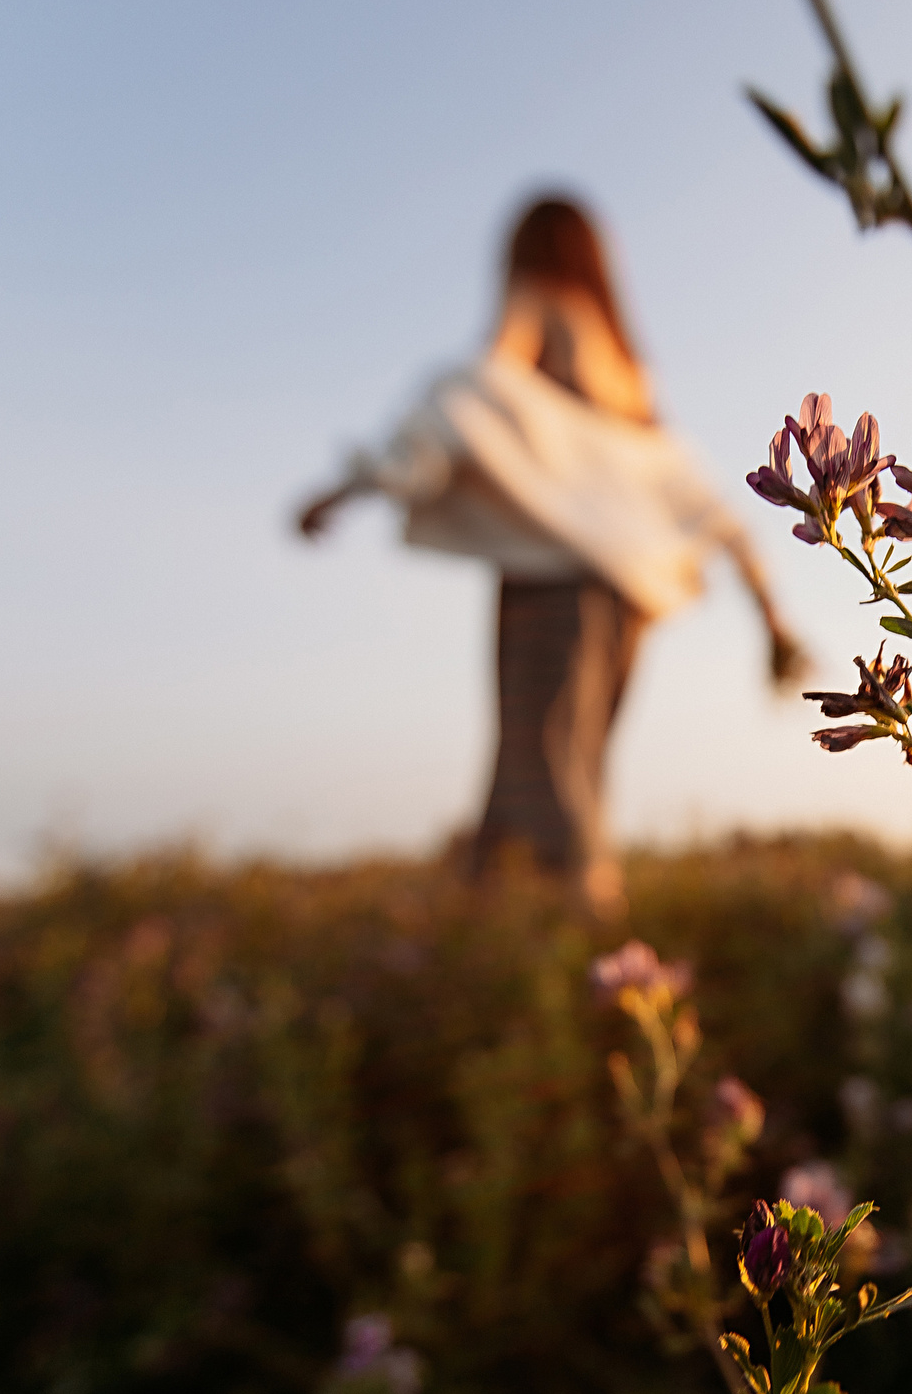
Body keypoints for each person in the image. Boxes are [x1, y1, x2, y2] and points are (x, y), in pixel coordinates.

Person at [297, 196, 800, 912]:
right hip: (628, 599)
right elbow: (685, 483)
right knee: (578, 759)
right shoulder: (628, 363)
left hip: (553, 582)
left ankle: (574, 925)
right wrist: (769, 610)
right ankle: (542, 920)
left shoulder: (539, 300)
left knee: (546, 760)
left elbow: (476, 395)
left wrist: (355, 484)